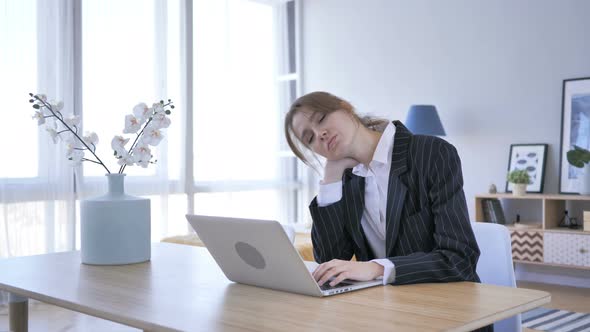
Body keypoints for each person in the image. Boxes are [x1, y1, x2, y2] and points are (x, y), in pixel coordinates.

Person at [284, 91, 482, 288]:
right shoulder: (345, 179)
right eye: (309, 138)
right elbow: (329, 262)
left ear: (345, 107)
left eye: (321, 118)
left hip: (448, 300)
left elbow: (459, 259)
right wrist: (330, 182)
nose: (320, 134)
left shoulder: (431, 153)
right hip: (385, 305)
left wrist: (377, 268)